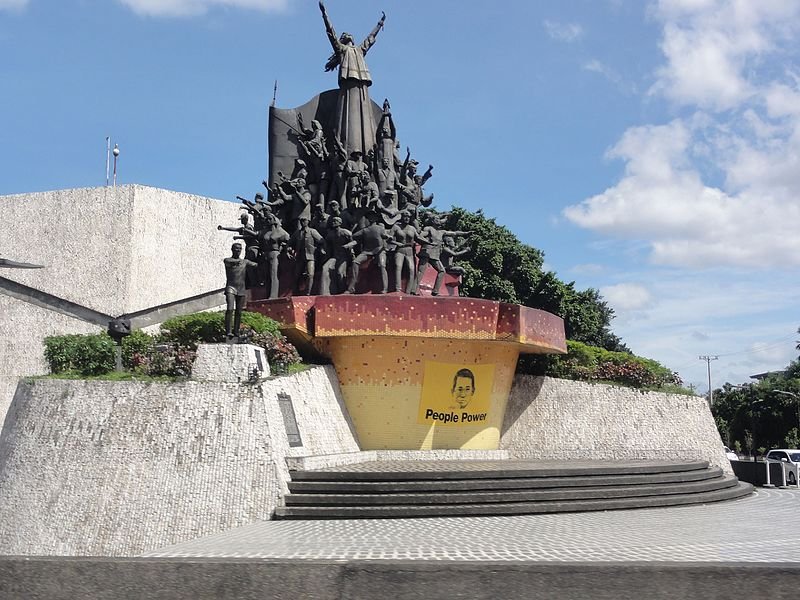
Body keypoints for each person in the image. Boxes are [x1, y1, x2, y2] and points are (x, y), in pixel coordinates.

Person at [319, 1, 385, 156]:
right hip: (348, 84)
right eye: (344, 35)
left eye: (348, 34)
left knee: (364, 115)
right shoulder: (342, 50)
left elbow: (370, 39)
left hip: (362, 85)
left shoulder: (359, 50)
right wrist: (324, 14)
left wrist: (379, 24)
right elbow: (331, 33)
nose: (347, 34)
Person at [223, 243, 257, 341]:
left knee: (239, 311)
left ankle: (236, 332)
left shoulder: (245, 262)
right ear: (232, 249)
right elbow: (231, 262)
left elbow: (256, 265)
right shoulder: (227, 260)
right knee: (230, 309)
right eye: (236, 248)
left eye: (240, 249)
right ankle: (228, 331)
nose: (238, 250)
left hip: (241, 289)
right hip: (231, 287)